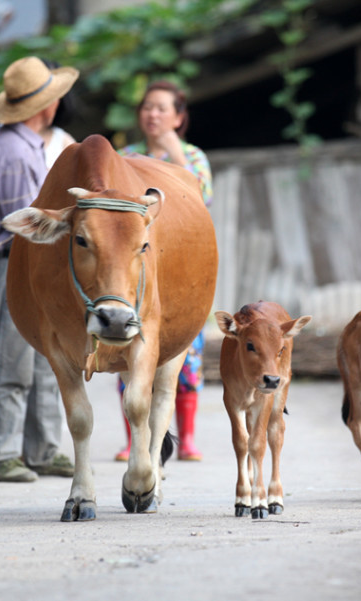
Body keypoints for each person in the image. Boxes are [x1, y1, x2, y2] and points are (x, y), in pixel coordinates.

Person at [0, 56, 78, 482]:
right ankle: (2, 456)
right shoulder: (15, 153)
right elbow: (26, 229)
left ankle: (43, 451)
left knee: (45, 360)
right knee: (12, 363)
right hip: (11, 267)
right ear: (46, 106)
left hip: (22, 267)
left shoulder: (20, 144)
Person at [114, 80, 213, 462]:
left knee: (186, 352)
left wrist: (174, 150)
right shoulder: (125, 156)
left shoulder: (193, 156)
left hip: (181, 264)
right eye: (147, 107)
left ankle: (186, 438)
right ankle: (132, 440)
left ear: (178, 117)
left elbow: (202, 198)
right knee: (126, 348)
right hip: (138, 264)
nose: (152, 114)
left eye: (161, 108)